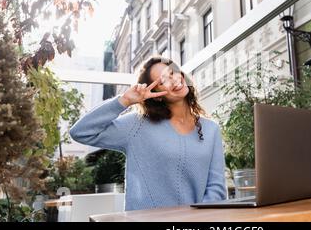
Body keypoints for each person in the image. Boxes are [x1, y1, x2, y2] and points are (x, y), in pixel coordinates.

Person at [70, 56, 227, 211]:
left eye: (172, 72)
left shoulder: (211, 129)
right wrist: (124, 100)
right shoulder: (137, 125)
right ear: (156, 94)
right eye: (163, 80)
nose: (174, 80)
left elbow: (216, 188)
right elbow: (81, 132)